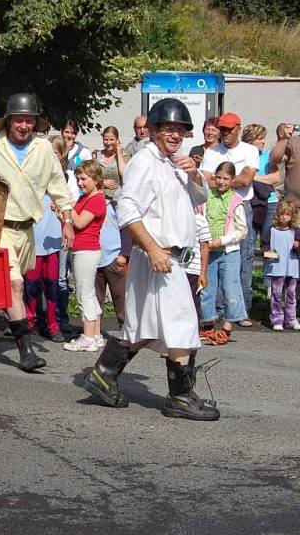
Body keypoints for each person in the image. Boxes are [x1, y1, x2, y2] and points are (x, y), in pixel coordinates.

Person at [79, 98, 220, 421]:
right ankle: (180, 396)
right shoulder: (145, 161)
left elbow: (199, 197)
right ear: (154, 130)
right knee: (183, 324)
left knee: (145, 324)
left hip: (170, 256)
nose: (175, 135)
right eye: (168, 128)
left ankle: (103, 373)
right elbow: (127, 209)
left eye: (180, 130)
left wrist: (195, 174)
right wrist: (153, 249)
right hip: (160, 255)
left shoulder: (173, 163)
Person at [0, 93, 74, 371]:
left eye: (28, 121)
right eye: (19, 120)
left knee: (4, 289)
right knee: (14, 285)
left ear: (35, 123)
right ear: (9, 121)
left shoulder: (43, 150)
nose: (24, 125)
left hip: (27, 230)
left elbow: (57, 186)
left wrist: (67, 219)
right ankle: (25, 352)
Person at [200, 112, 259, 326]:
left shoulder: (250, 150)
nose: (224, 133)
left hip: (239, 206)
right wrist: (231, 180)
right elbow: (205, 180)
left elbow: (246, 180)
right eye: (221, 129)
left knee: (241, 260)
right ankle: (213, 312)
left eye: (228, 129)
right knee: (212, 262)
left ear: (238, 129)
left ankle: (238, 312)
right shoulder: (212, 151)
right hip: (213, 206)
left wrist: (221, 180)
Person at [198, 162, 248, 345]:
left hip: (228, 251)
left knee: (230, 287)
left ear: (232, 180)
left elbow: (242, 231)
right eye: (218, 177)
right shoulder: (206, 197)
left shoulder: (235, 201)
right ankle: (209, 324)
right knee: (206, 288)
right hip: (208, 250)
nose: (221, 181)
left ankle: (227, 327)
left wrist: (222, 240)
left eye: (226, 178)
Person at [63, 160, 107, 352]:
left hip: (86, 250)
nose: (80, 183)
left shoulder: (96, 200)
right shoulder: (86, 198)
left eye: (83, 179)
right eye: (78, 179)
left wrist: (66, 207)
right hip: (82, 249)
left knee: (84, 293)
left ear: (96, 179)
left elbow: (80, 222)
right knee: (89, 292)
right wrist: (63, 215)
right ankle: (96, 335)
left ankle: (88, 337)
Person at [50, 135, 79, 334]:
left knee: (60, 277)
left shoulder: (68, 176)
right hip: (42, 229)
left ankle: (62, 318)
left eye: (55, 152)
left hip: (60, 228)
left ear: (62, 155)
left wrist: (61, 212)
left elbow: (73, 202)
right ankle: (39, 317)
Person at [24, 194, 62, 342]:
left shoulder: (56, 191)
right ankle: (29, 322)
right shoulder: (29, 190)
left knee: (52, 287)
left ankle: (52, 325)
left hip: (52, 247)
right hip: (33, 246)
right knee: (31, 287)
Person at [261, 200, 300, 331]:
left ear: (292, 216)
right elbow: (264, 245)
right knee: (276, 294)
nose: (284, 217)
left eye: (288, 214)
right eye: (282, 214)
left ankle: (291, 319)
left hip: (292, 267)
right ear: (278, 214)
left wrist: (297, 246)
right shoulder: (271, 230)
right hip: (276, 267)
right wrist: (267, 252)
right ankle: (277, 319)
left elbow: (298, 248)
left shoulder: (295, 231)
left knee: (291, 294)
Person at [242, 123, 280, 248]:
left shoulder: (268, 155)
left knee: (268, 243)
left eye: (264, 138)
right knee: (248, 242)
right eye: (260, 138)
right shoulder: (242, 156)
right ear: (250, 140)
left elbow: (275, 178)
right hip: (248, 202)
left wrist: (252, 177)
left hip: (270, 202)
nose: (264, 142)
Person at [94, 201, 129, 330]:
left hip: (115, 259)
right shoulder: (87, 204)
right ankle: (95, 332)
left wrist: (124, 254)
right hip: (95, 259)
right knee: (96, 299)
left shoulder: (115, 206)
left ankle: (126, 331)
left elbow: (126, 230)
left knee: (121, 299)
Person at [92, 126, 126, 200]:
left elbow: (125, 175)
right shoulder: (96, 155)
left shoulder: (125, 156)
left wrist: (119, 154)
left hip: (118, 199)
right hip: (99, 198)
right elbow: (91, 177)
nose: (108, 143)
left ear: (117, 140)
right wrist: (103, 183)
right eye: (106, 140)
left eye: (112, 139)